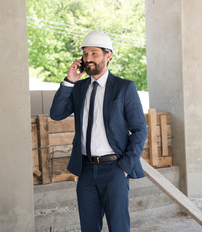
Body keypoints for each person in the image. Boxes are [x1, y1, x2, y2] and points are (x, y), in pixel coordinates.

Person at [50, 30, 148, 232]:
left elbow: (139, 130)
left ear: (108, 55)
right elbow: (56, 113)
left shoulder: (124, 88)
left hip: (114, 169)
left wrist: (125, 167)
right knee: (88, 227)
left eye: (94, 53)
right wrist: (69, 81)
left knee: (118, 227)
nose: (88, 59)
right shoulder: (78, 88)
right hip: (86, 170)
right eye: (85, 54)